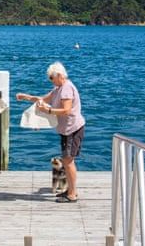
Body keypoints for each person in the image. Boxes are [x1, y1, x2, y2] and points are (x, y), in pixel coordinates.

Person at [16, 61, 85, 203]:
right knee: (66, 160)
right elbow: (43, 99)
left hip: (72, 129)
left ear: (59, 75)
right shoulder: (58, 88)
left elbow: (67, 110)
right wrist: (26, 97)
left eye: (51, 77)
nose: (50, 80)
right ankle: (69, 190)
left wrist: (48, 110)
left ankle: (72, 194)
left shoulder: (66, 88)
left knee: (68, 160)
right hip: (66, 130)